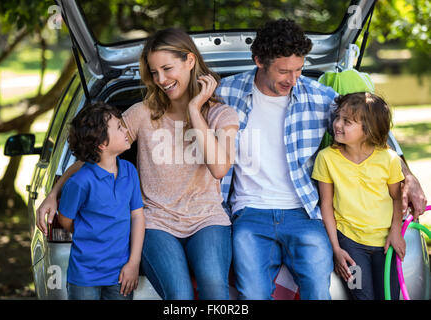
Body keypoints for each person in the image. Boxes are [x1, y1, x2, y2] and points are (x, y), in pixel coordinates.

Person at [216, 19, 427, 300]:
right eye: (283, 71)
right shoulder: (224, 93)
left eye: (299, 69)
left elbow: (370, 131)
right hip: (249, 214)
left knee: (318, 291)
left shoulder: (318, 97)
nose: (293, 80)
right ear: (258, 61)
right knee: (252, 294)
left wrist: (408, 175)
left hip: (305, 214)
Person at [37, 28, 239, 300]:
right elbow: (96, 155)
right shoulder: (143, 114)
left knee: (215, 289)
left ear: (190, 61)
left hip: (207, 219)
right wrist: (54, 193)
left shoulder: (222, 115)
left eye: (167, 69)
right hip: (156, 222)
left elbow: (219, 168)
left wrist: (194, 110)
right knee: (179, 296)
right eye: (154, 73)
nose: (161, 80)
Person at [312, 92, 404, 300]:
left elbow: (397, 198)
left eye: (347, 121)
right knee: (360, 295)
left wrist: (396, 231)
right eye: (337, 117)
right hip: (349, 244)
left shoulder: (388, 159)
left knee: (389, 295)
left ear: (368, 129)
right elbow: (326, 205)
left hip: (385, 244)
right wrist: (336, 248)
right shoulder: (326, 158)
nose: (337, 124)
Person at [57, 102, 145, 300]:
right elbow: (65, 219)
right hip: (84, 277)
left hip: (121, 274)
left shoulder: (130, 171)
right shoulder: (80, 182)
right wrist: (89, 231)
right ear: (102, 144)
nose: (126, 130)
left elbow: (137, 216)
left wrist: (134, 263)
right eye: (119, 128)